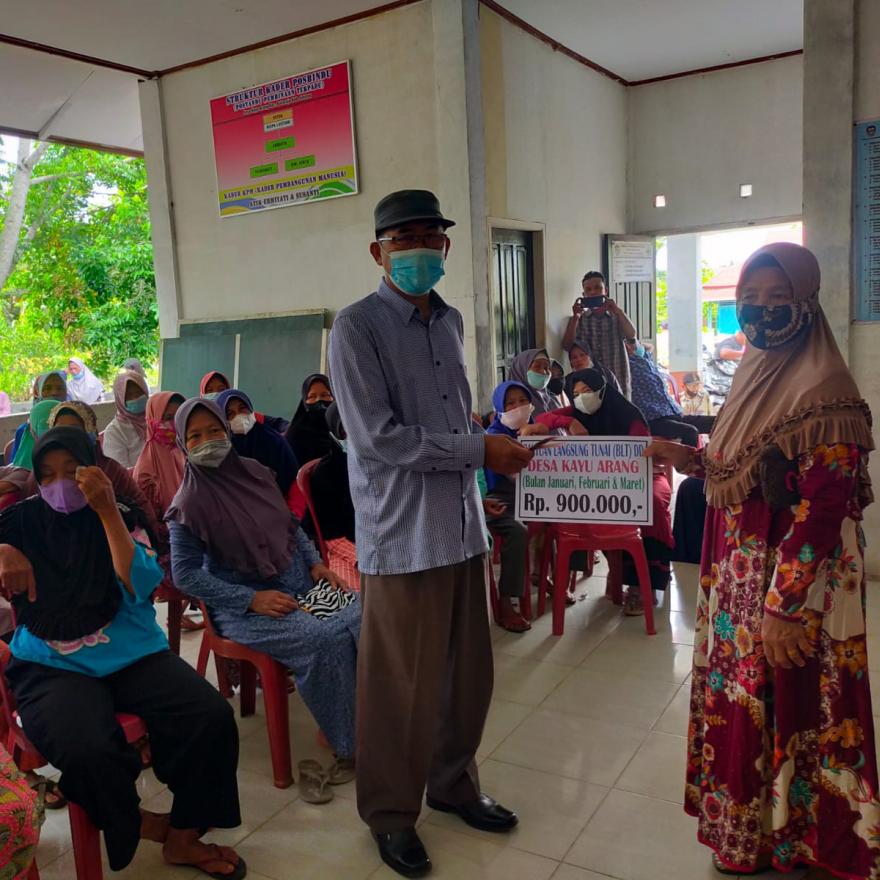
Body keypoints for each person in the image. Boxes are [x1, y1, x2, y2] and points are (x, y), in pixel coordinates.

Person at [645, 243, 879, 878]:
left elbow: (823, 509)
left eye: (779, 299)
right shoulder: (753, 375)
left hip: (793, 589)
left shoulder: (826, 390)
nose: (762, 311)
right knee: (746, 700)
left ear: (807, 304)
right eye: (750, 299)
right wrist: (687, 457)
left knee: (797, 702)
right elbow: (744, 468)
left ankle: (797, 842)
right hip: (739, 580)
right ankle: (750, 834)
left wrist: (784, 607)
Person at [330, 189, 530, 878]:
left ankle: (453, 785)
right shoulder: (356, 327)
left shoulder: (451, 322)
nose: (419, 249)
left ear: (446, 246)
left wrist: (489, 450)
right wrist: (479, 451)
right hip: (402, 535)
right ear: (378, 251)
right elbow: (378, 439)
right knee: (399, 687)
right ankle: (390, 814)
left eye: (430, 236)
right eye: (404, 238)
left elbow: (452, 417)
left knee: (466, 675)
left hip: (461, 527)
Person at [0, 427, 244, 876]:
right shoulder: (20, 522)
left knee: (209, 717)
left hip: (131, 652)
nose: (60, 484)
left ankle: (184, 837)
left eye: (73, 471)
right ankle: (143, 824)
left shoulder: (124, 515)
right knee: (87, 750)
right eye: (48, 474)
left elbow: (140, 582)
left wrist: (107, 510)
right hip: (51, 662)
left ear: (94, 470)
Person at [167, 398, 360, 777]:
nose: (207, 441)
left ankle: (360, 719)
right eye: (195, 436)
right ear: (182, 444)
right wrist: (250, 599)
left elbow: (290, 526)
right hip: (243, 607)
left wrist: (316, 564)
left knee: (362, 614)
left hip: (298, 583)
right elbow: (185, 574)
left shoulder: (255, 473)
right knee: (322, 638)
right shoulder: (188, 504)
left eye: (214, 431)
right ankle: (349, 741)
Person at [532, 368, 674, 615]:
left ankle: (644, 584)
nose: (581, 398)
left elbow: (642, 459)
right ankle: (618, 572)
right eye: (576, 394)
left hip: (645, 476)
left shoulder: (628, 415)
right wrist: (570, 422)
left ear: (602, 390)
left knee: (648, 503)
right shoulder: (577, 413)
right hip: (603, 482)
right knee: (592, 507)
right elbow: (542, 419)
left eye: (587, 391)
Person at [44, 401, 162, 541]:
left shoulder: (111, 471)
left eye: (74, 430)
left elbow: (142, 517)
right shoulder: (44, 471)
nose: (66, 436)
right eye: (60, 430)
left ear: (90, 431)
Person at [484, 381, 534, 633]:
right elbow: (500, 478)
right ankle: (507, 600)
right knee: (517, 530)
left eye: (523, 401)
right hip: (500, 498)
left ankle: (546, 576)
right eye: (510, 403)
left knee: (562, 518)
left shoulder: (536, 429)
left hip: (535, 495)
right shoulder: (492, 437)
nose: (518, 407)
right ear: (499, 408)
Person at [304, 402, 358, 589]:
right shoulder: (326, 474)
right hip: (344, 552)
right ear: (335, 433)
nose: (354, 436)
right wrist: (361, 559)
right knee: (352, 596)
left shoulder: (382, 468)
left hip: (388, 550)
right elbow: (331, 536)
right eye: (345, 430)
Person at [562, 271, 637, 398]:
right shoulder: (579, 320)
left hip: (618, 379)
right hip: (590, 384)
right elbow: (567, 346)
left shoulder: (616, 316)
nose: (593, 292)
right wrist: (575, 317)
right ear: (583, 295)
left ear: (605, 291)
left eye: (597, 288)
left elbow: (632, 334)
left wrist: (617, 311)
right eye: (588, 289)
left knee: (620, 409)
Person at [627, 339, 714, 446]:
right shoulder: (626, 365)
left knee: (717, 422)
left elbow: (648, 347)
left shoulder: (646, 360)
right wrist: (630, 347)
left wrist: (637, 345)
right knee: (690, 431)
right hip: (652, 420)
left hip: (671, 414)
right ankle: (687, 457)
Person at [217, 389, 299, 499]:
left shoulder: (273, 440)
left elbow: (292, 481)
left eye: (242, 408)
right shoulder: (221, 448)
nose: (239, 416)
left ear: (251, 409)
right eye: (230, 413)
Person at [284, 374, 335, 465]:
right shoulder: (296, 436)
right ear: (304, 402)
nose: (318, 400)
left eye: (325, 395)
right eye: (312, 396)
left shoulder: (342, 429)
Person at [102, 371, 150, 469]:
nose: (135, 398)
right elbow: (119, 471)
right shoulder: (114, 431)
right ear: (120, 398)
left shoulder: (156, 419)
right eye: (128, 395)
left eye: (139, 393)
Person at [508, 348, 557, 416]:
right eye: (537, 366)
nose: (543, 372)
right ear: (522, 370)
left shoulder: (550, 398)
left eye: (546, 368)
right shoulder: (511, 406)